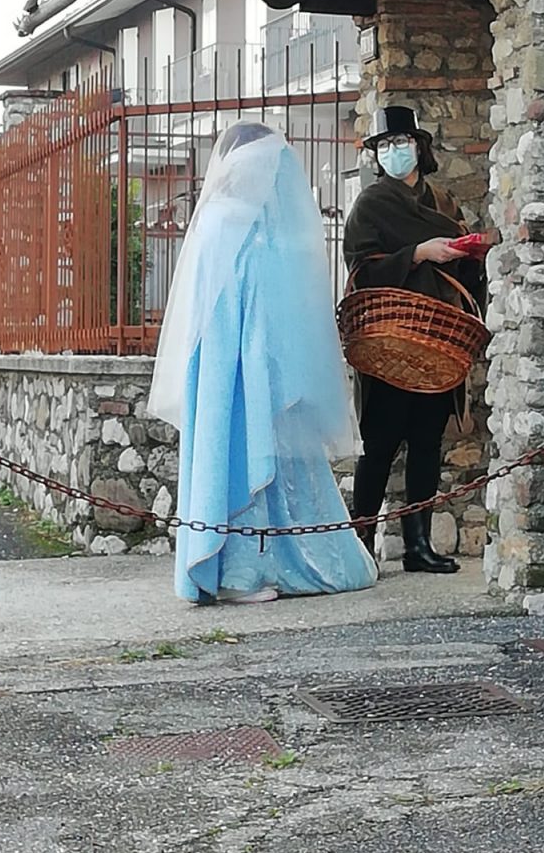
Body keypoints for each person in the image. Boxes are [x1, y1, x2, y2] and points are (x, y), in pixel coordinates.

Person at [148, 122, 377, 605]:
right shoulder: (229, 225)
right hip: (236, 371)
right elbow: (242, 307)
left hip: (248, 369)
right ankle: (238, 572)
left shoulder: (234, 222)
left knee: (255, 464)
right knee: (240, 460)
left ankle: (256, 565)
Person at [343, 105, 487, 575]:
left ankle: (418, 545)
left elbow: (468, 268)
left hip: (438, 336)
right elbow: (362, 267)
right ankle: (360, 539)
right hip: (390, 340)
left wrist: (466, 254)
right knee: (380, 443)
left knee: (427, 441)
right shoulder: (370, 204)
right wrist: (417, 254)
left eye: (400, 143)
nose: (393, 152)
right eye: (384, 146)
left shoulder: (444, 203)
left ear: (419, 147)